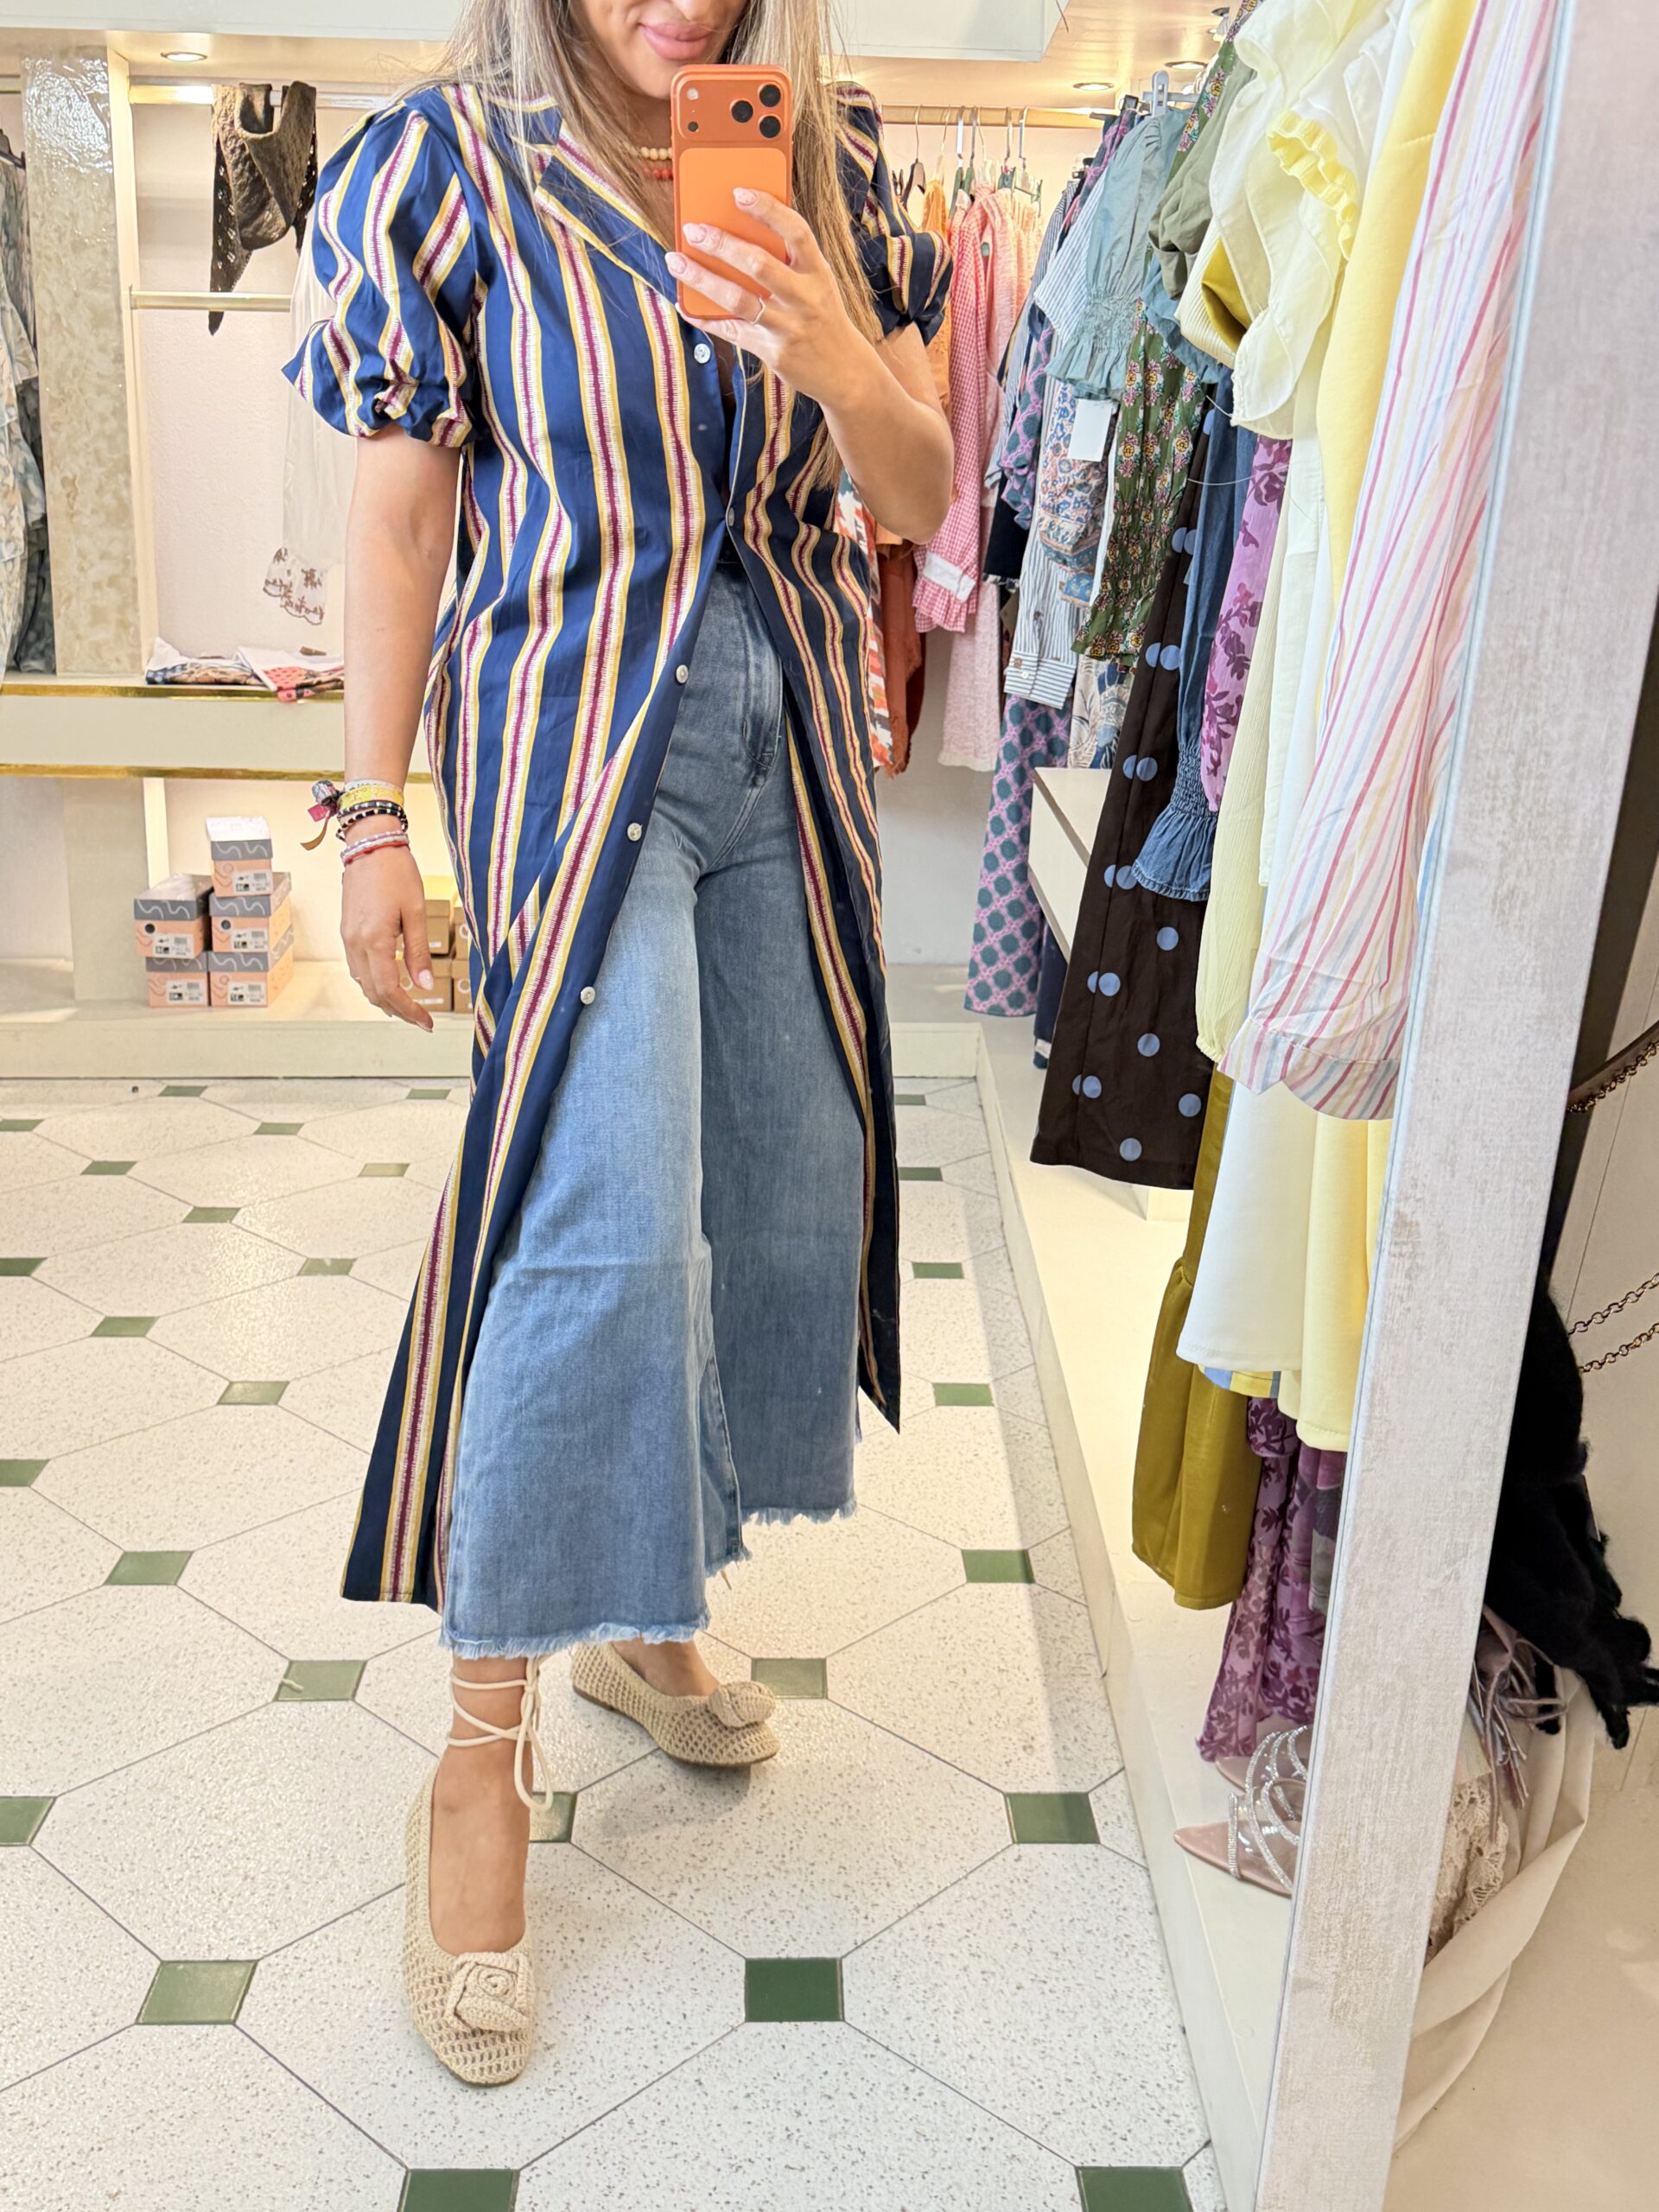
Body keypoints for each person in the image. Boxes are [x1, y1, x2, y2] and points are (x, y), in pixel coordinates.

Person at [285, 0, 952, 2083]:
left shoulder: (829, 160)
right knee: (598, 1211)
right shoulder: (449, 166)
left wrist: (835, 351)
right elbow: (402, 523)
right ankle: (477, 1751)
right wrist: (370, 815)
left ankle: (647, 1617)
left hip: (788, 747)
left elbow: (919, 485)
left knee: (763, 1182)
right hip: (578, 762)